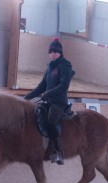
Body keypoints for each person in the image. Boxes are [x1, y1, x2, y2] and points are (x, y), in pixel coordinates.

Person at [24, 37, 75, 165]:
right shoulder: (49, 67)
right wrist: (26, 98)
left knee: (51, 121)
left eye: (55, 52)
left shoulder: (65, 65)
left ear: (60, 52)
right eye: (50, 52)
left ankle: (58, 152)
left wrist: (48, 93)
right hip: (47, 101)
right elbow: (41, 86)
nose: (52, 54)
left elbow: (64, 86)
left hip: (59, 102)